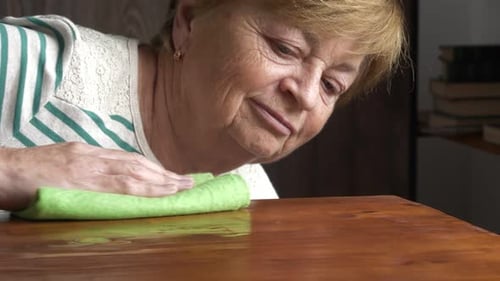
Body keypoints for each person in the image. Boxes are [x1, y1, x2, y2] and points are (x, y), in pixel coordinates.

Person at [0, 0, 407, 211]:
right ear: (189, 21)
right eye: (285, 48)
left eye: (332, 84)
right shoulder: (39, 63)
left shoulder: (254, 202)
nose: (305, 94)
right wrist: (11, 170)